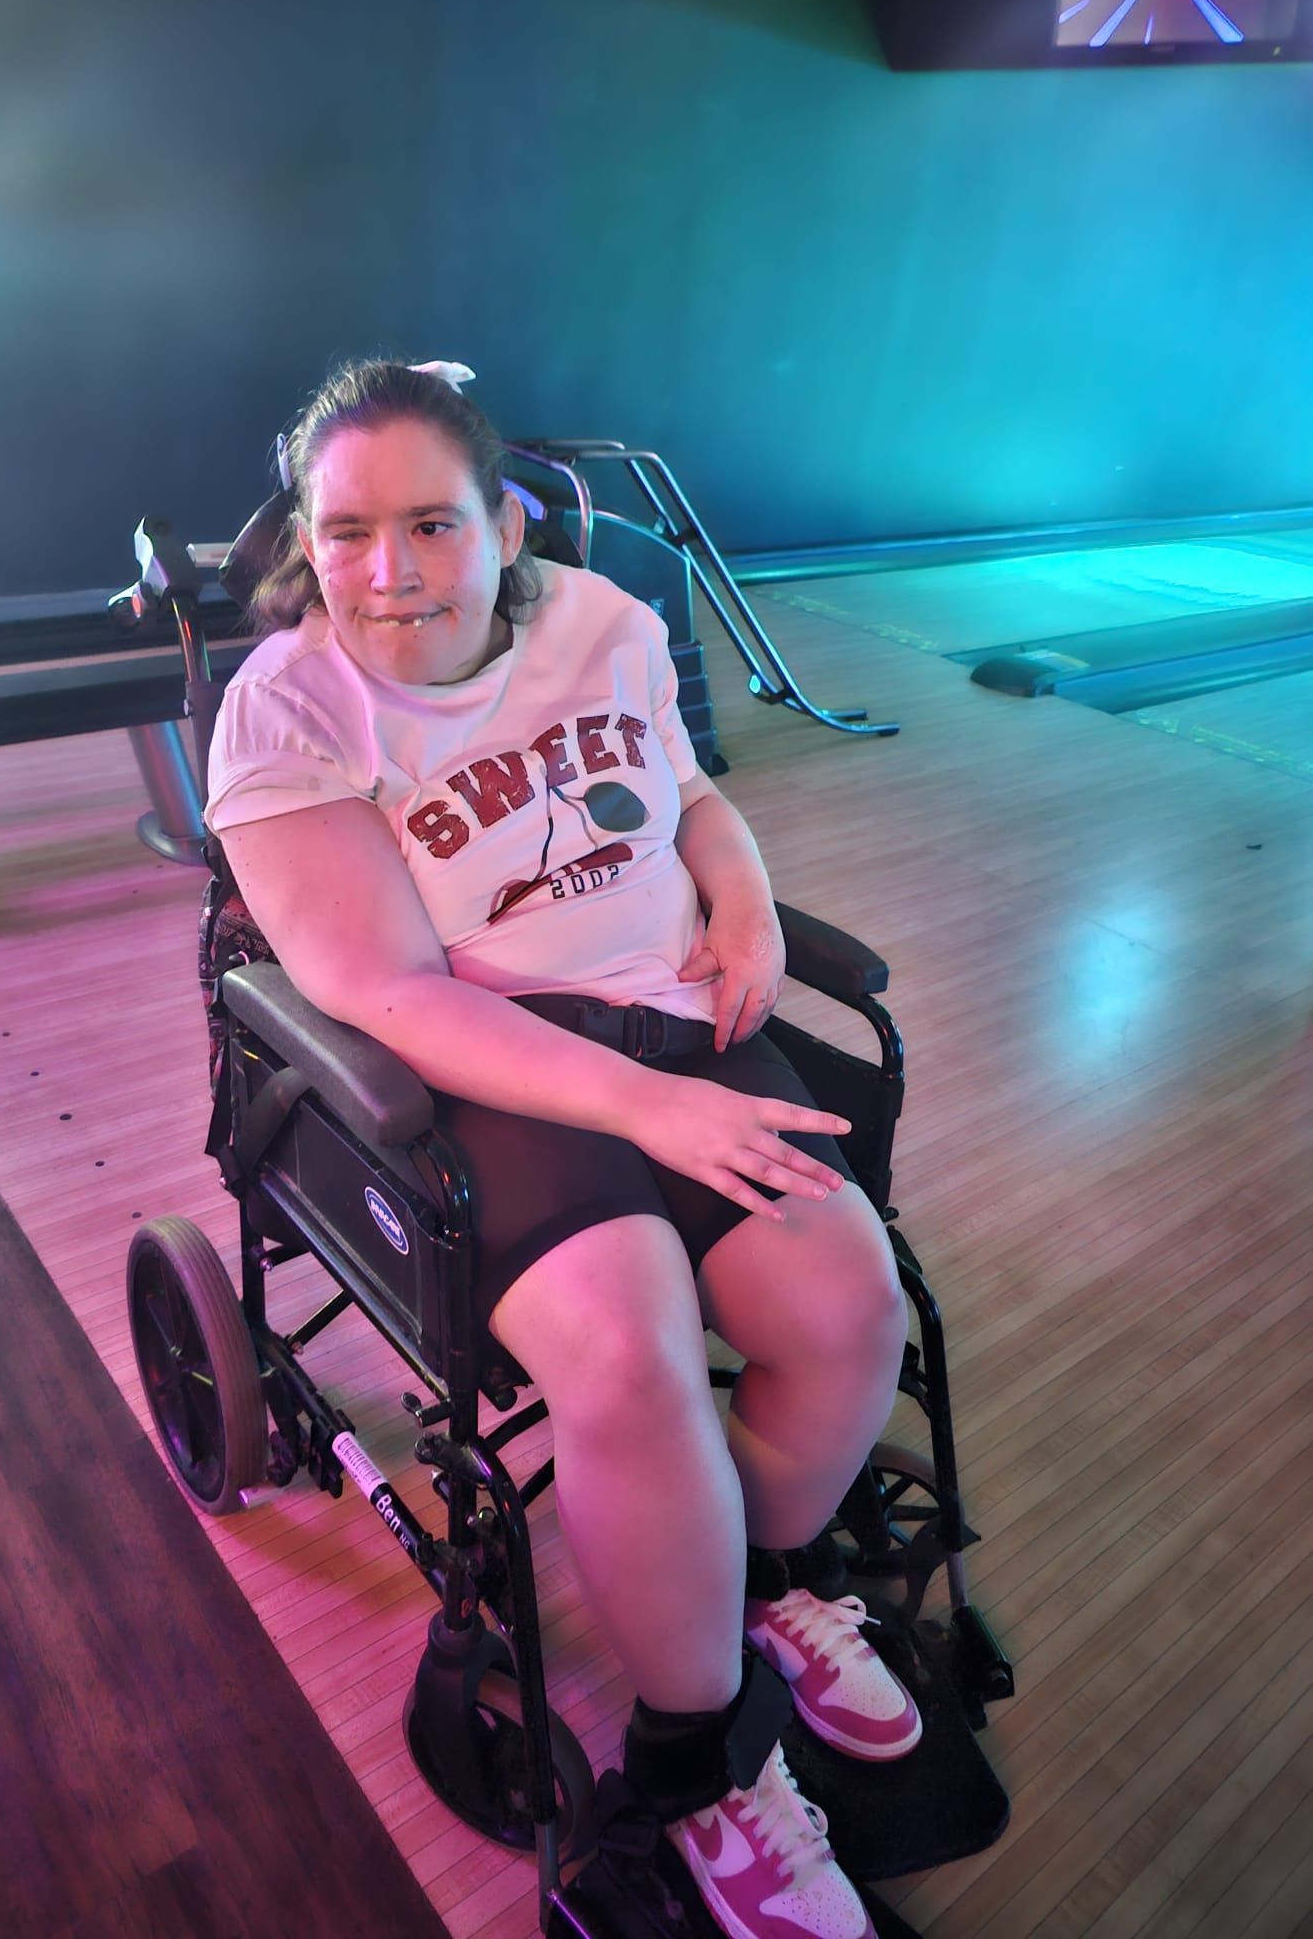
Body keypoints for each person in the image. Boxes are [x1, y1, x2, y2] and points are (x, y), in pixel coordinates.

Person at [204, 358, 919, 1939]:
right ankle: (697, 1760)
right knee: (627, 1354)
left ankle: (759, 1574)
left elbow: (690, 808)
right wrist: (647, 1109)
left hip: (681, 1021)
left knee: (848, 1306)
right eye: (344, 532)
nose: (387, 573)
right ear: (302, 539)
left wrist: (738, 897)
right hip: (489, 1075)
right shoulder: (288, 713)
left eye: (429, 525)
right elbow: (385, 988)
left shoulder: (606, 620)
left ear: (503, 519)